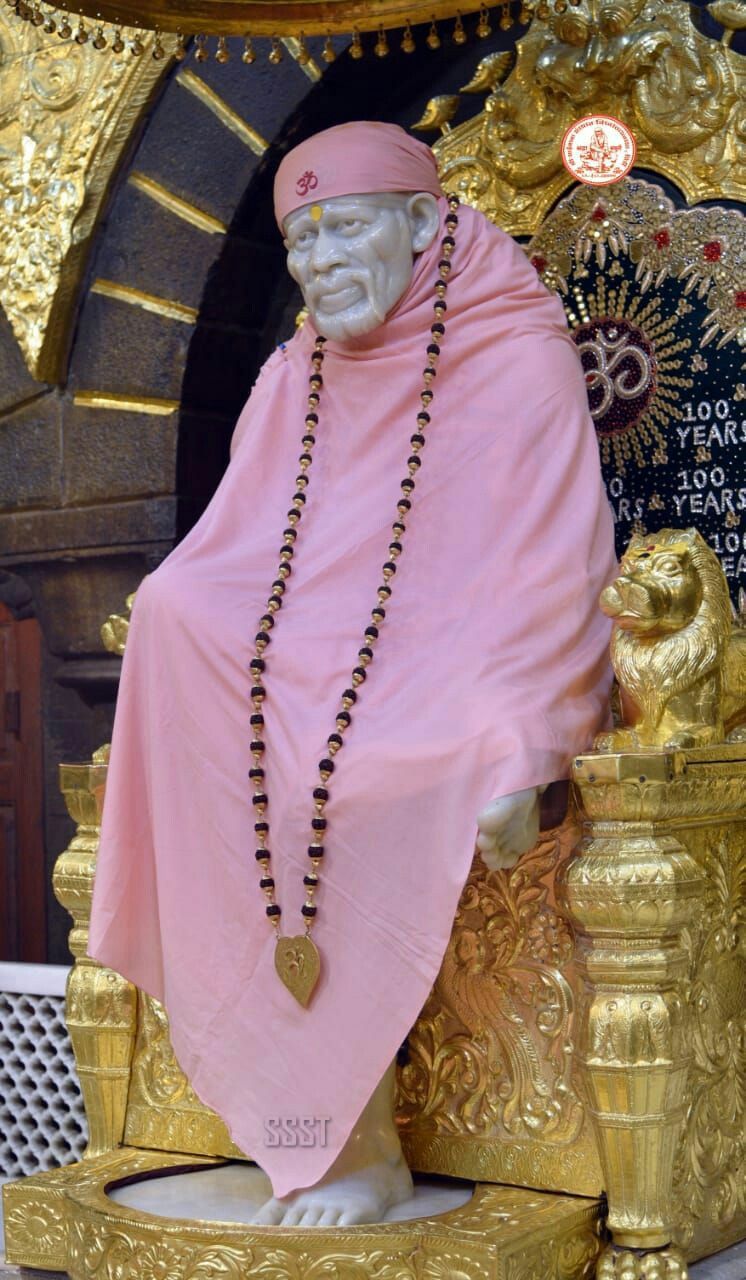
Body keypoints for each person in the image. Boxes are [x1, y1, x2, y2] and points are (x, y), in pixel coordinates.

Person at [88, 121, 616, 1228]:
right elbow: (244, 552)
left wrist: (524, 740)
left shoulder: (513, 353)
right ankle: (306, 1128)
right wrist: (185, 623)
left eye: (343, 229)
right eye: (299, 240)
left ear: (423, 223)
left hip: (463, 663)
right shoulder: (297, 372)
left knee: (375, 779)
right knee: (180, 617)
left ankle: (361, 1147)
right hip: (314, 667)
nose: (316, 262)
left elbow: (545, 567)